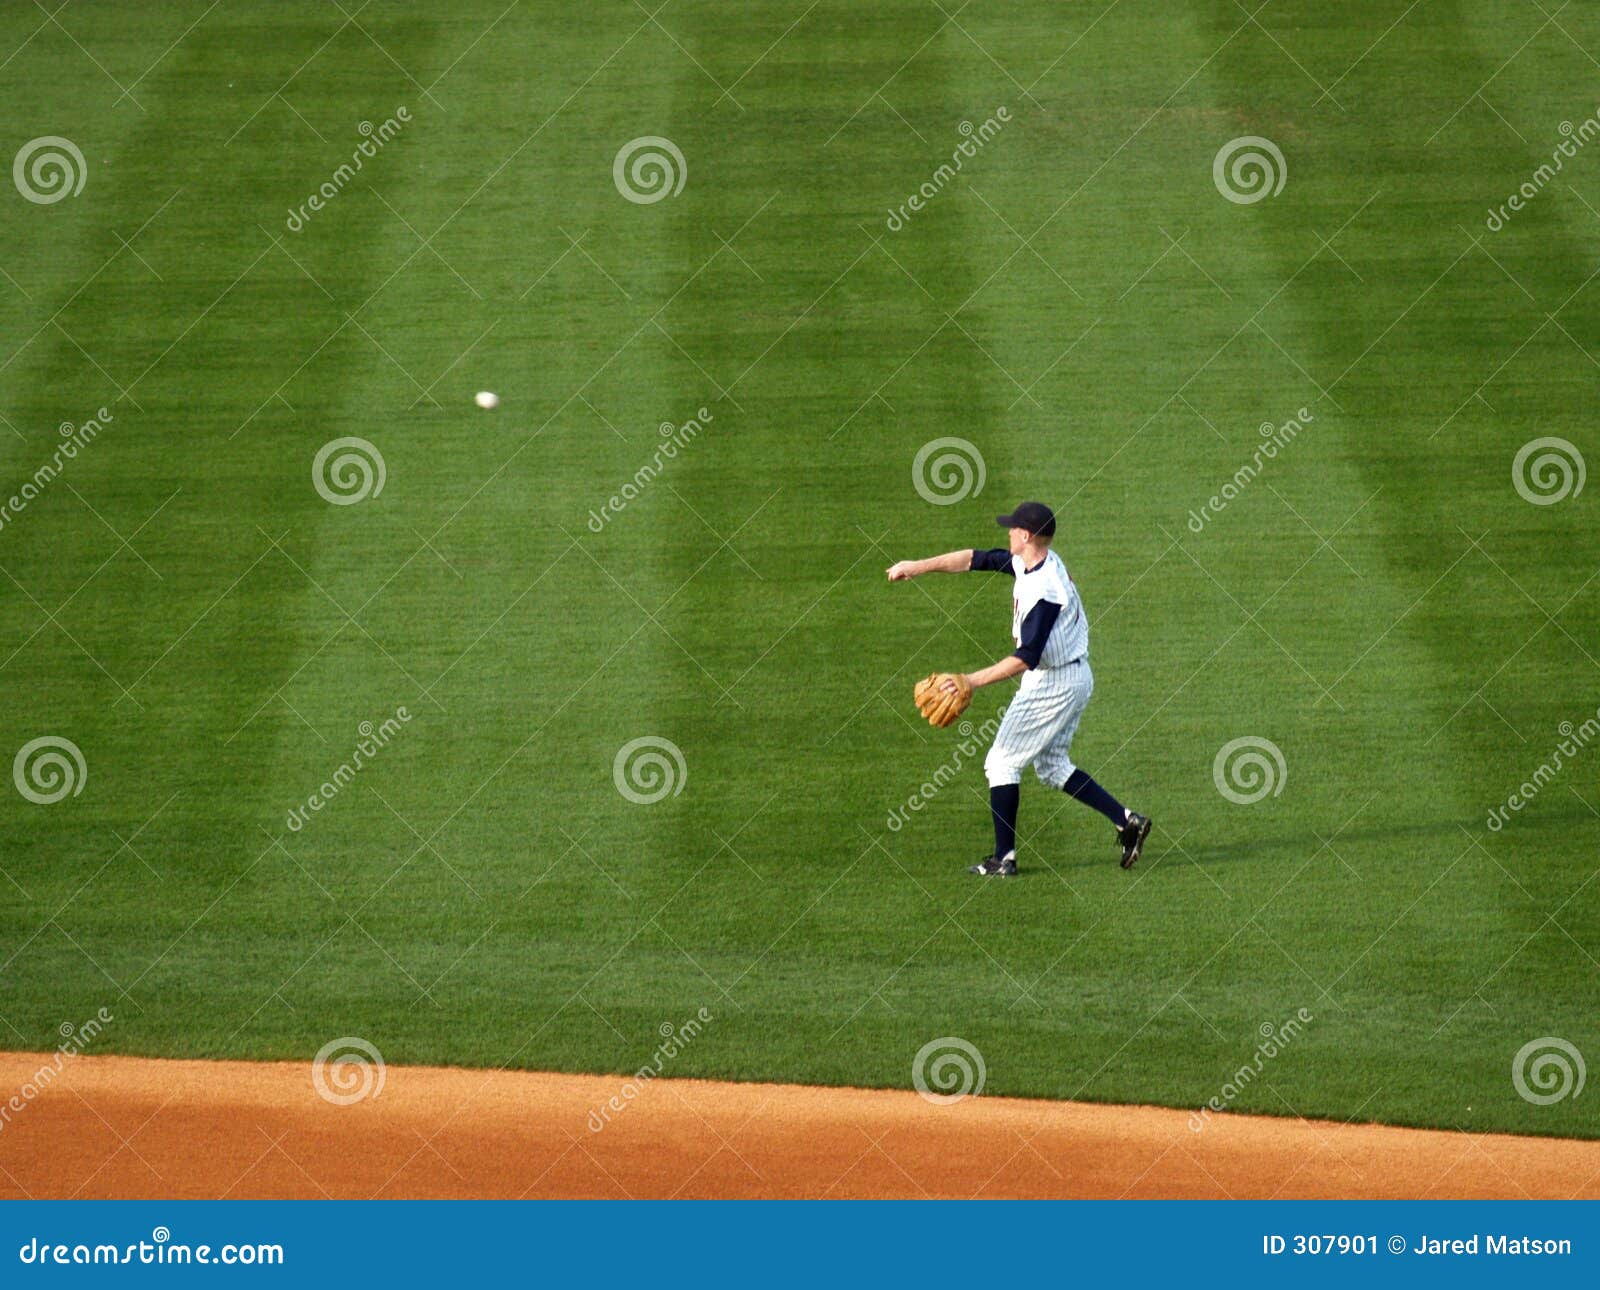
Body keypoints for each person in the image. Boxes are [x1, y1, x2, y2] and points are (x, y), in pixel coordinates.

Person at [885, 501, 1151, 876]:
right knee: (1052, 765)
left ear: (1025, 536)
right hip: (1070, 674)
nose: (1007, 532)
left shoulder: (1046, 590)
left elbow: (1026, 656)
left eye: (1012, 528)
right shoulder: (1032, 560)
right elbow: (974, 559)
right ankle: (1127, 821)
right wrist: (918, 566)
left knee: (1001, 762)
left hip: (1055, 682)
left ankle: (1003, 858)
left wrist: (969, 680)